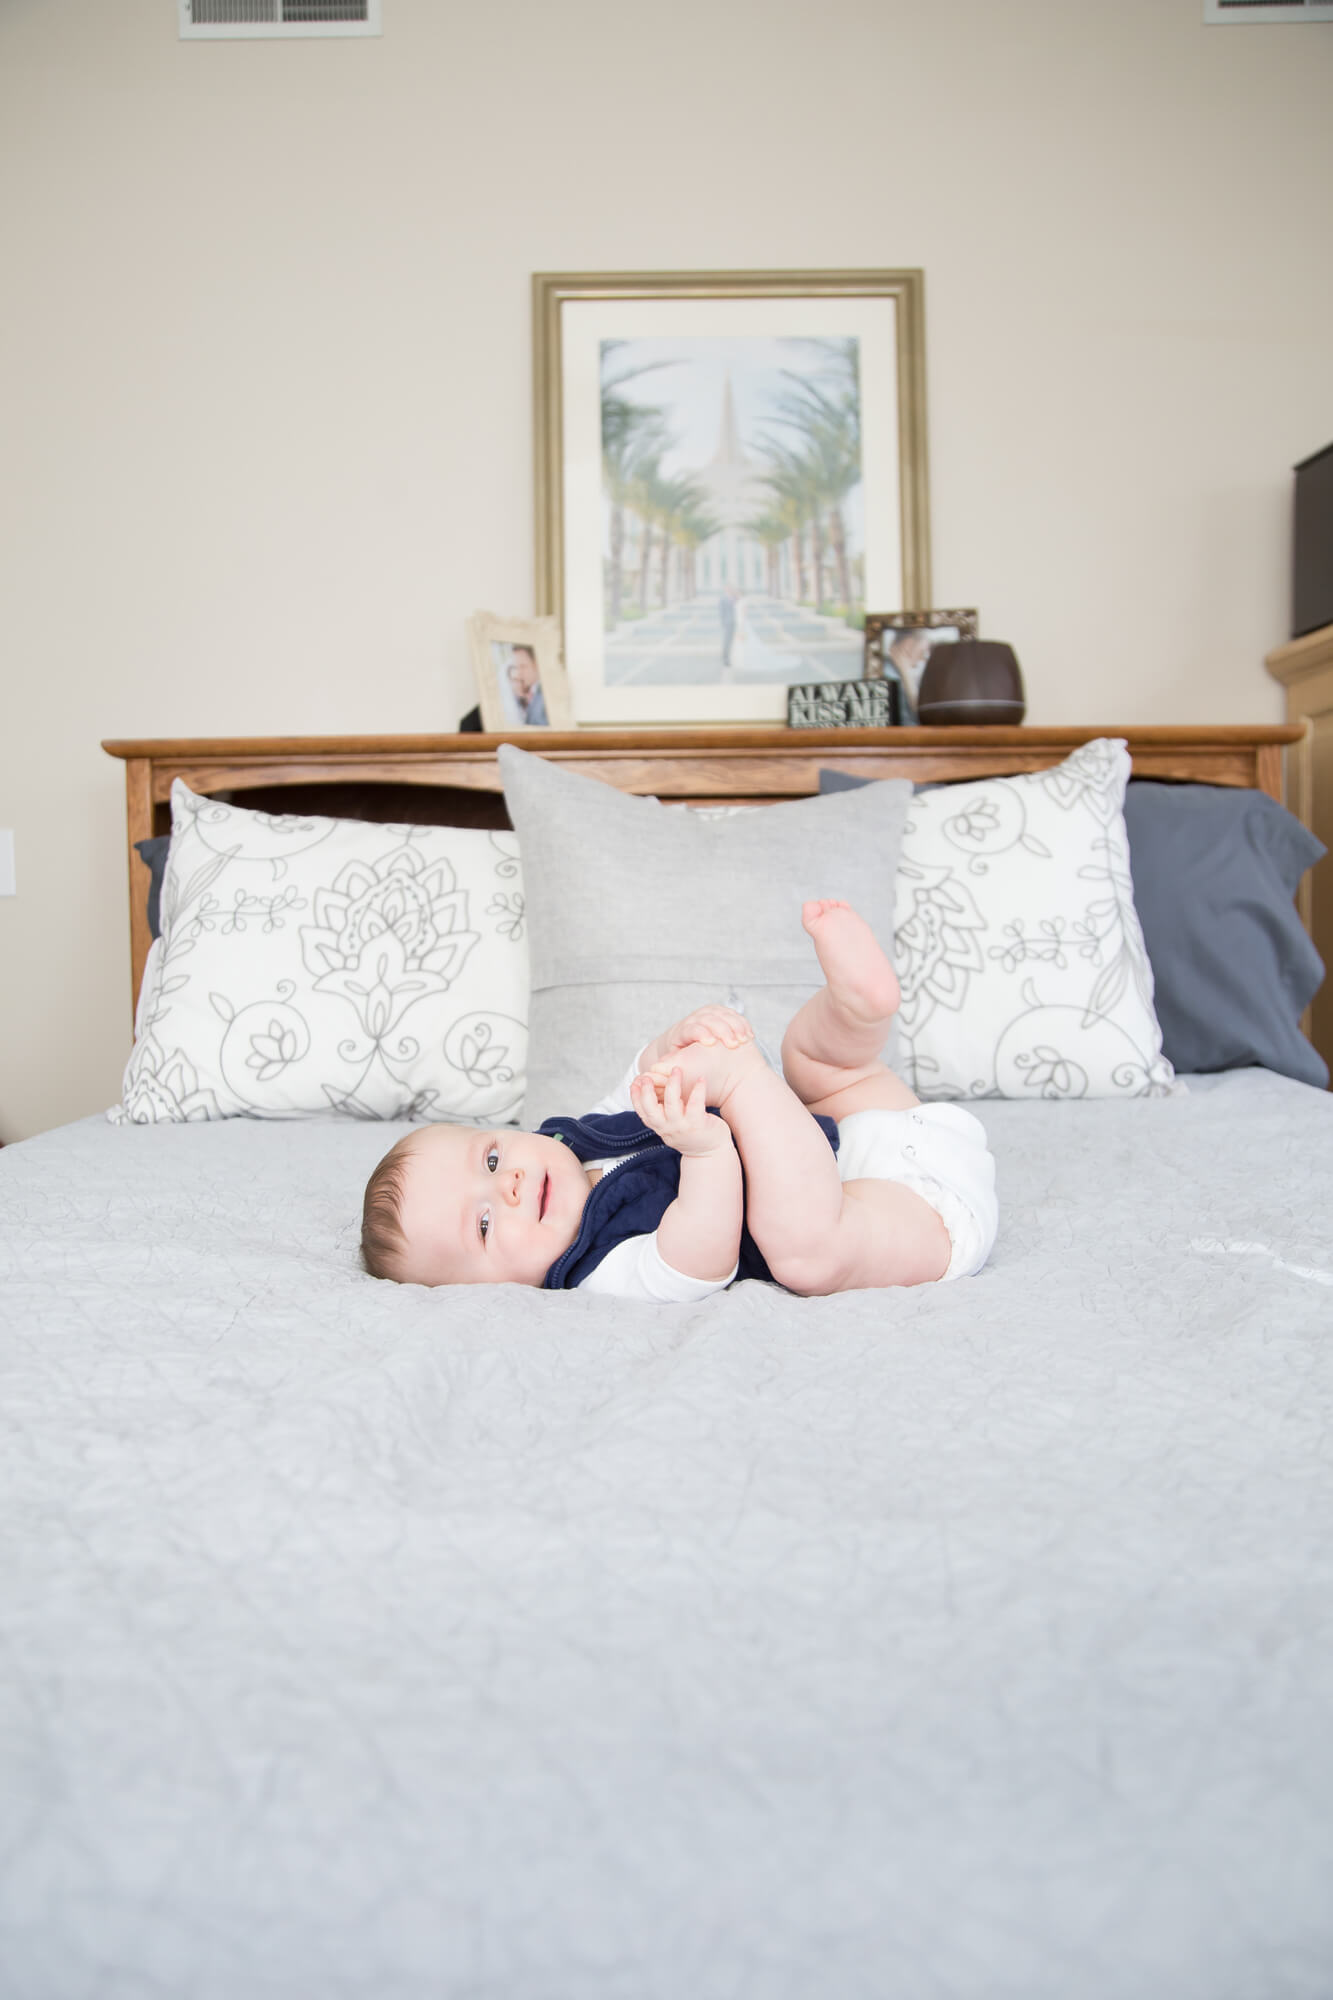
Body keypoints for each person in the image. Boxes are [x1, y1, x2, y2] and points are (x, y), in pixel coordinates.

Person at [360, 901, 998, 1299]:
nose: (512, 1188)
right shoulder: (596, 1270)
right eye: (484, 1224)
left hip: (865, 1132)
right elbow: (695, 1261)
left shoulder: (573, 1138)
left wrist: (676, 1041)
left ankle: (856, 1013)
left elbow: (634, 1084)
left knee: (821, 1067)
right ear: (486, 1294)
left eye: (492, 1160)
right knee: (807, 1252)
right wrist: (706, 1151)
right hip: (917, 1215)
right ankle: (751, 1077)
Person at [506, 645, 548, 727]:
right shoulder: (526, 693)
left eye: (523, 666)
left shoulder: (544, 695)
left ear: (536, 665)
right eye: (517, 667)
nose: (519, 673)